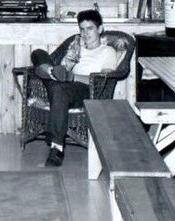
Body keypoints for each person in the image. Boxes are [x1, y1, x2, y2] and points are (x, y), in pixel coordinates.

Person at [31, 9, 119, 167]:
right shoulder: (76, 47)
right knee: (38, 53)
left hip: (86, 89)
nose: (85, 34)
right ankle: (49, 71)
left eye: (90, 29)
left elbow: (101, 81)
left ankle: (56, 147)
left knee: (58, 88)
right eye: (82, 29)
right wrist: (66, 65)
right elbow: (63, 70)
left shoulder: (108, 52)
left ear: (100, 29)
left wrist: (71, 77)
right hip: (64, 85)